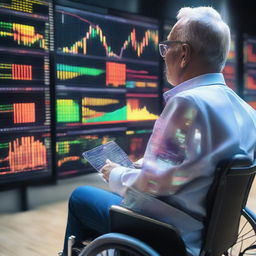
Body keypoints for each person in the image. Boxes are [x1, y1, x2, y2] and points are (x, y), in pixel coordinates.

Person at [61, 6, 256, 256]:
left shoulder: (187, 102)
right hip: (208, 235)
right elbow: (199, 168)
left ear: (184, 53)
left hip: (169, 231)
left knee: (81, 196)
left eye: (167, 47)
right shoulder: (247, 112)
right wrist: (147, 165)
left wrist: (116, 173)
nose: (164, 55)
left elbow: (153, 185)